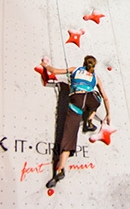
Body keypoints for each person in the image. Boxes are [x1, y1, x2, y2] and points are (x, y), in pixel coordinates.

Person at [40, 55, 110, 187]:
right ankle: (89, 120)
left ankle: (60, 168)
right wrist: (108, 114)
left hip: (76, 102)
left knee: (68, 135)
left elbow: (54, 71)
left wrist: (45, 65)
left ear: (83, 63)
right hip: (90, 100)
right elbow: (105, 98)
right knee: (97, 98)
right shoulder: (96, 78)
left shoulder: (75, 69)